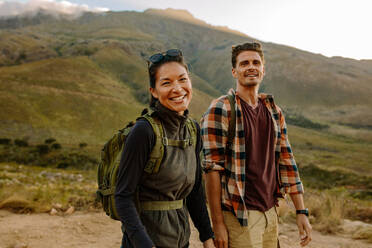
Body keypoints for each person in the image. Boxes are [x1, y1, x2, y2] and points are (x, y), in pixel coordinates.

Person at [201, 42, 312, 248]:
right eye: (244, 63)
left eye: (256, 62)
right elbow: (211, 170)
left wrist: (301, 211)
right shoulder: (221, 109)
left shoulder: (274, 111)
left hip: (270, 211)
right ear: (234, 71)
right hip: (239, 214)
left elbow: (287, 161)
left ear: (263, 70)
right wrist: (217, 225)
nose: (251, 66)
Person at [114, 49, 215, 248]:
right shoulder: (144, 131)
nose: (177, 89)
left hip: (180, 241)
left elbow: (195, 191)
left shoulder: (192, 130)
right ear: (153, 91)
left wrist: (207, 236)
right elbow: (123, 196)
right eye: (166, 83)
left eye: (182, 79)